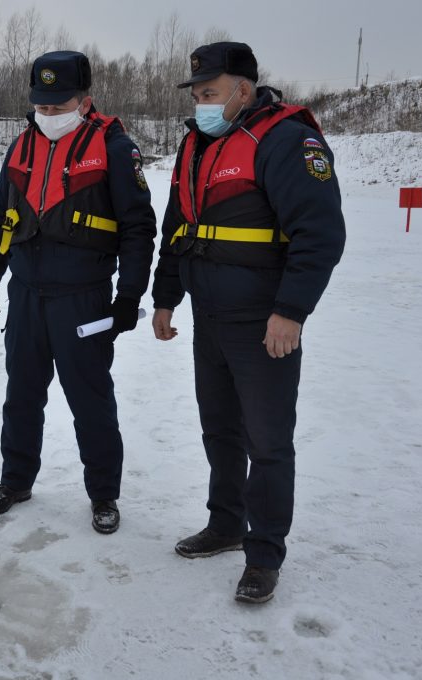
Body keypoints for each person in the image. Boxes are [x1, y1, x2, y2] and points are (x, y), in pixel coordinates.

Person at [150, 42, 346, 603]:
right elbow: (177, 230)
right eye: (197, 93)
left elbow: (321, 234)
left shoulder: (287, 139)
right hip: (209, 319)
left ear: (243, 89)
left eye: (210, 93)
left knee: (268, 442)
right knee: (220, 432)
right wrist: (166, 299)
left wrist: (291, 311)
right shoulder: (195, 143)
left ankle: (264, 554)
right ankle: (226, 523)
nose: (202, 103)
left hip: (264, 322)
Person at [0, 51, 157, 534]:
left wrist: (128, 296)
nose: (50, 115)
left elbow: (138, 228)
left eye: (60, 105)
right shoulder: (20, 147)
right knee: (21, 396)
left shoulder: (115, 148)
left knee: (90, 400)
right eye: (43, 106)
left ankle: (103, 495)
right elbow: (1, 219)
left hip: (84, 300)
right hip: (27, 295)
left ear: (85, 100)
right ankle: (15, 480)